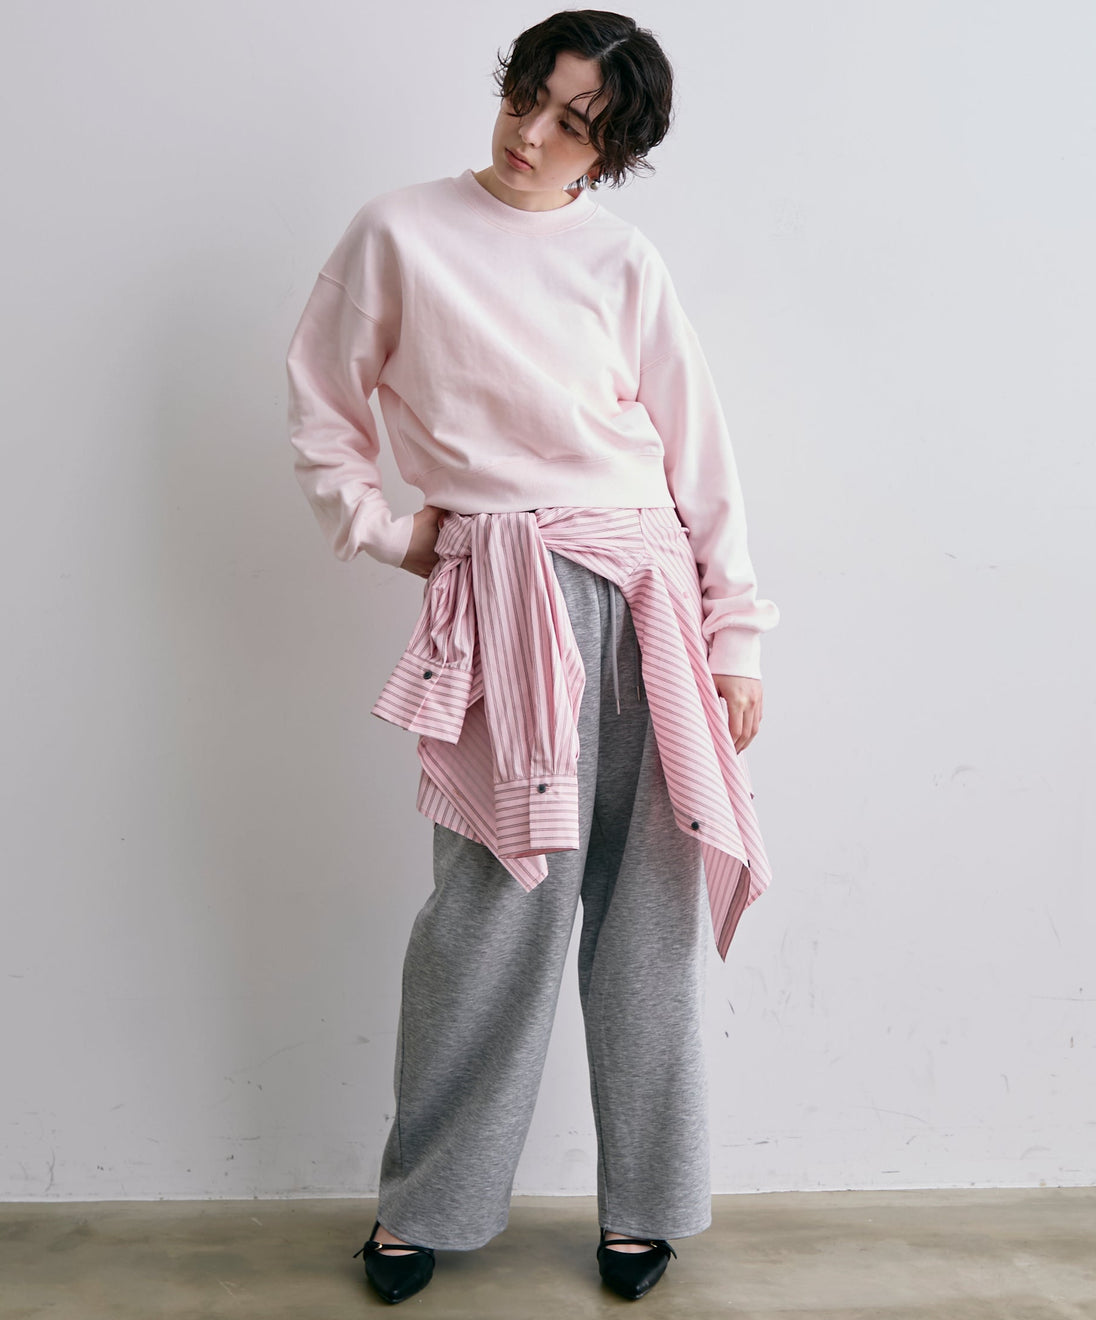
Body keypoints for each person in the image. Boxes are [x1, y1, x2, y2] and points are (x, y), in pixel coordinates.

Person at [285, 9, 779, 1305]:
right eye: (527, 98)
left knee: (648, 921)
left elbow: (700, 456)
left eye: (574, 123)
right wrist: (385, 531)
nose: (531, 134)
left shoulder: (621, 260)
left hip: (649, 589)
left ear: (611, 152)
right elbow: (322, 402)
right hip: (506, 586)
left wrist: (736, 636)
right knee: (488, 916)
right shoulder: (400, 233)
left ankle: (647, 1205)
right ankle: (425, 1205)